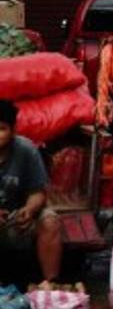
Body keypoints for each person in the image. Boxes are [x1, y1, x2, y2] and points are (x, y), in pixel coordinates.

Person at [0, 100, 64, 282]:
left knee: (50, 221)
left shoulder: (26, 150)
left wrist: (29, 210)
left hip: (15, 221)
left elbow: (38, 191)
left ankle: (50, 286)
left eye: (2, 129)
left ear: (13, 131)